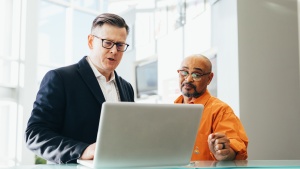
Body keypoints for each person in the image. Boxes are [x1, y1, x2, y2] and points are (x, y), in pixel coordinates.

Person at [25, 13, 134, 164]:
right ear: (91, 41)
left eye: (120, 45)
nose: (114, 51)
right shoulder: (60, 79)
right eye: (107, 42)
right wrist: (83, 150)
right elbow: (35, 135)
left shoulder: (127, 88)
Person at [174, 54, 248, 161]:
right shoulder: (171, 111)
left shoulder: (220, 110)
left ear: (209, 78)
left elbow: (234, 147)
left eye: (196, 75)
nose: (188, 79)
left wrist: (224, 153)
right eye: (184, 72)